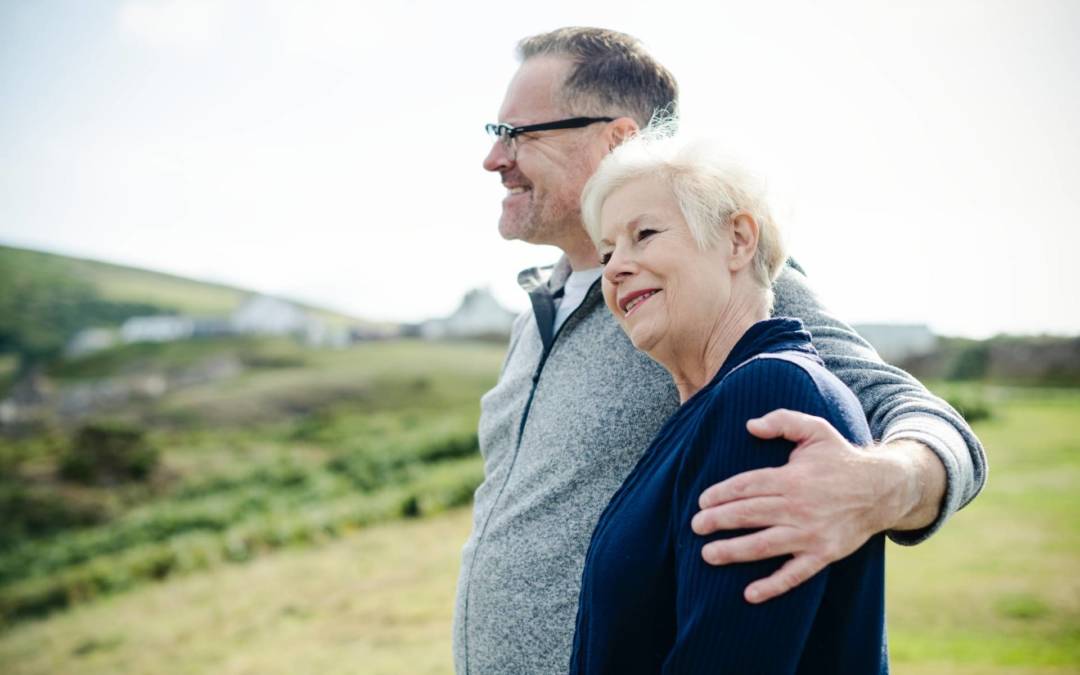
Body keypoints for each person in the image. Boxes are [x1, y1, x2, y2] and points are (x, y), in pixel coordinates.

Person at [453, 27, 986, 674]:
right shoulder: (539, 309)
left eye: (518, 133)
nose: (493, 158)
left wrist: (885, 484)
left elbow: (915, 414)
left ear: (618, 139)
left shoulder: (716, 283)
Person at [570, 130, 885, 674]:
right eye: (607, 252)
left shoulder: (767, 396)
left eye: (643, 234)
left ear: (738, 240)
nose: (616, 267)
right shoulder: (711, 410)